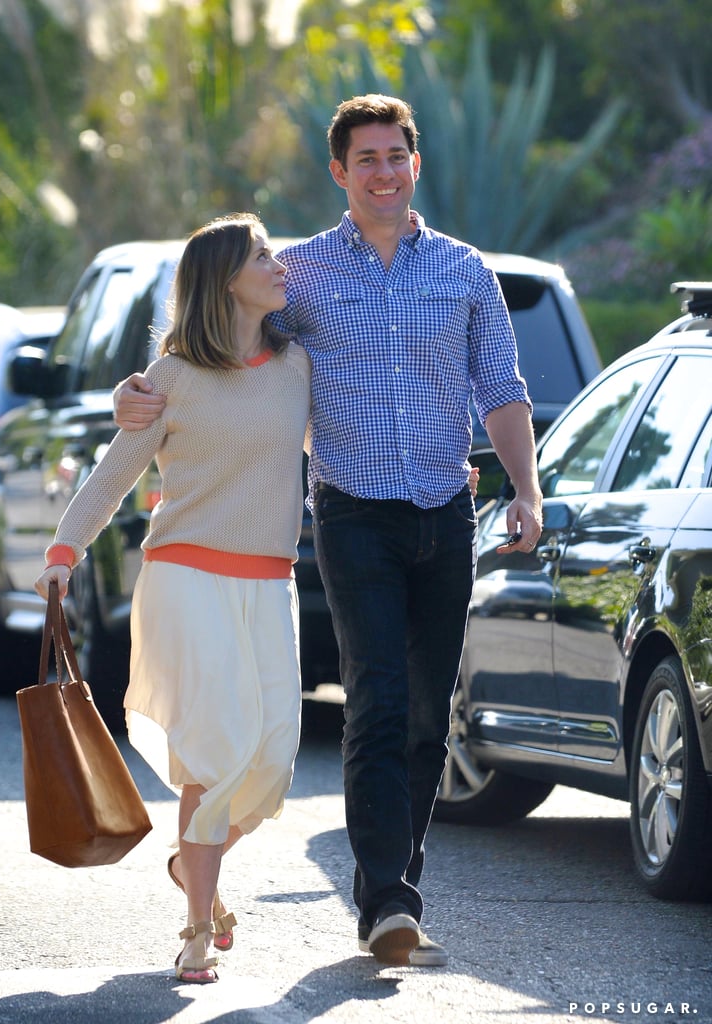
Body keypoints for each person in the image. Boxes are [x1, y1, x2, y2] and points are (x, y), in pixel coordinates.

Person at [113, 94, 543, 969]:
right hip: (350, 514)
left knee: (429, 712)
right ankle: (386, 898)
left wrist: (525, 491)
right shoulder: (299, 273)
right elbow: (217, 347)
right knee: (376, 700)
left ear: (414, 165)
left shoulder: (465, 272)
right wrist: (136, 395)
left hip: (444, 510)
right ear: (340, 173)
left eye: (397, 156)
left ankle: (398, 880)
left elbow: (501, 390)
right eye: (367, 159)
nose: (383, 172)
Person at [35, 213, 311, 984]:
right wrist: (64, 552)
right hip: (186, 578)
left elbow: (340, 449)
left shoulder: (297, 368)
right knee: (215, 751)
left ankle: (197, 870)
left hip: (269, 584)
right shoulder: (174, 374)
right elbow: (116, 470)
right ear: (225, 279)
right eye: (261, 255)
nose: (277, 263)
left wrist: (429, 472)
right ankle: (196, 928)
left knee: (272, 759)